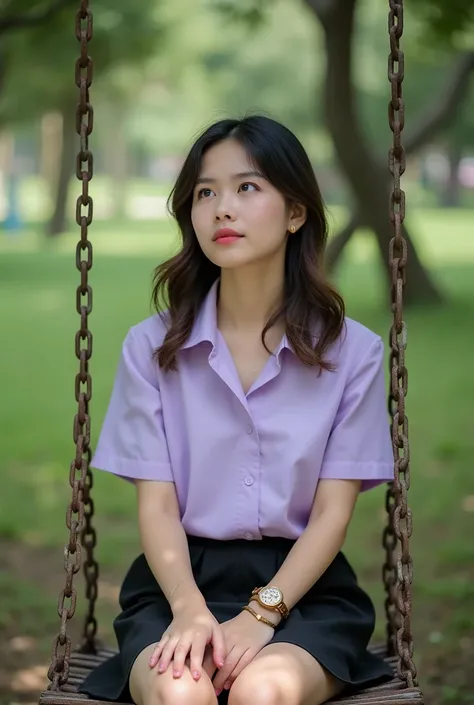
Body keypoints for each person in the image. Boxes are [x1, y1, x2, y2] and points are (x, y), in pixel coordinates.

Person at [79, 114, 394, 705]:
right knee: (181, 693)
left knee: (261, 691)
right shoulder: (151, 348)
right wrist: (188, 609)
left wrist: (263, 613)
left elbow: (331, 513)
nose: (223, 208)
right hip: (178, 582)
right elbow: (159, 504)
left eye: (247, 187)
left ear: (296, 212)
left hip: (304, 589)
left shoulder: (354, 353)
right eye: (206, 192)